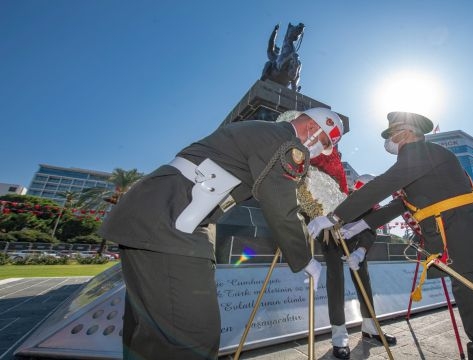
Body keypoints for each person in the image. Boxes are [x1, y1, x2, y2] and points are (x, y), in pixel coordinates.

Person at [98, 107, 345, 360]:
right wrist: (304, 258)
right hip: (173, 225)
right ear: (314, 128)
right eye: (323, 143)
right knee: (194, 339)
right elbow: (281, 205)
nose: (316, 152)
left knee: (148, 334)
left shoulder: (260, 131)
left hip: (152, 216)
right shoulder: (285, 142)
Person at [307, 112, 473, 360]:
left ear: (407, 132)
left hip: (471, 247)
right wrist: (359, 225)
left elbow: (383, 184)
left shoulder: (420, 152)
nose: (389, 141)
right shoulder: (423, 161)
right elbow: (401, 205)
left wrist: (335, 217)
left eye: (392, 134)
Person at [307, 146, 396, 359]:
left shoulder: (372, 206)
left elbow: (371, 227)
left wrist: (361, 252)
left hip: (356, 244)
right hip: (332, 239)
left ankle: (370, 328)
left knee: (363, 281)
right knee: (335, 281)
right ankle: (339, 336)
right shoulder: (342, 198)